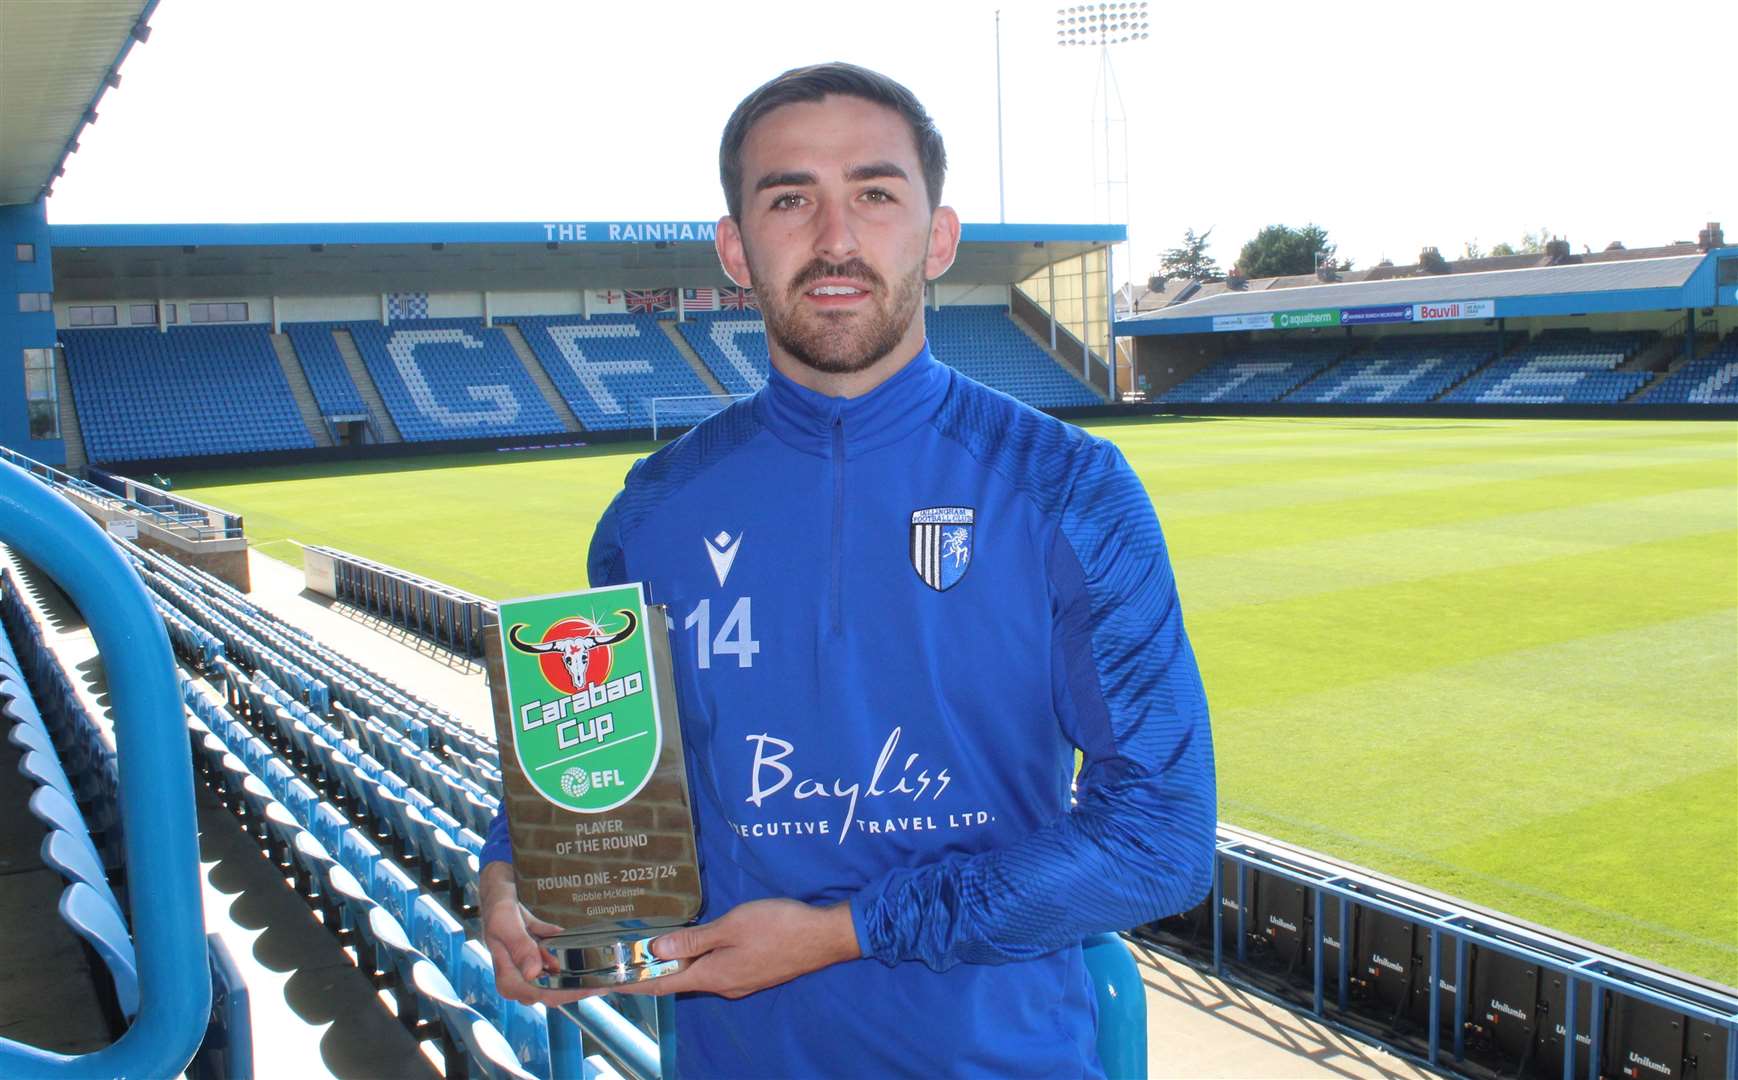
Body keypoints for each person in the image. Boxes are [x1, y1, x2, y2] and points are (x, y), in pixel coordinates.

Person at [480, 61, 1217, 1077]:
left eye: (874, 194)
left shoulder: (1071, 487)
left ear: (938, 236)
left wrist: (843, 932)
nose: (835, 238)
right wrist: (513, 872)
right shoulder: (650, 516)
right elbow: (602, 768)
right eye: (790, 199)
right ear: (735, 248)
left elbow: (1160, 842)